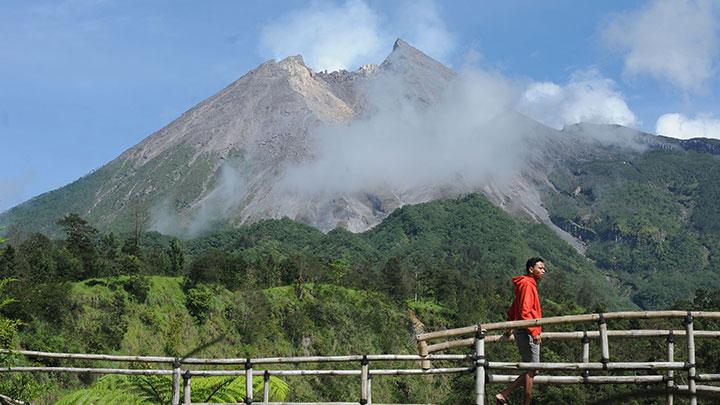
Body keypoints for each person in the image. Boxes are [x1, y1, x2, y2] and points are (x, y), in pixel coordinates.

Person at [495, 257, 545, 405]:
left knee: (532, 369)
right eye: (540, 268)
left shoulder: (526, 284)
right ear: (531, 269)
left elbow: (513, 309)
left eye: (544, 269)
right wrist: (534, 332)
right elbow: (524, 313)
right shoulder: (528, 285)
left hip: (523, 330)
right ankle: (517, 399)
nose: (543, 271)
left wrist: (509, 329)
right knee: (532, 368)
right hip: (527, 331)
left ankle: (505, 394)